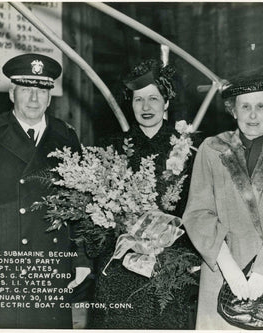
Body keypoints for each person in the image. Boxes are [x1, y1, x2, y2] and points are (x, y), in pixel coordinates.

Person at [183, 64, 263, 330]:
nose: (253, 115)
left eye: (260, 106)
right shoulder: (211, 149)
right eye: (245, 106)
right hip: (220, 272)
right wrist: (228, 267)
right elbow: (197, 212)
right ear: (233, 110)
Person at [88, 59, 199, 329]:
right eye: (139, 100)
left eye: (153, 98)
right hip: (120, 265)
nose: (146, 107)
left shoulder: (189, 151)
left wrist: (184, 256)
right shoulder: (111, 148)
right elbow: (94, 213)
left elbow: (198, 211)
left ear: (167, 103)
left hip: (169, 266)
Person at [0, 53, 92, 328]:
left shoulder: (66, 136)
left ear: (50, 96)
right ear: (12, 93)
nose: (34, 99)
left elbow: (80, 205)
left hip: (53, 263)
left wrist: (81, 260)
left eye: (42, 90)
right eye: (26, 90)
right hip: (4, 264)